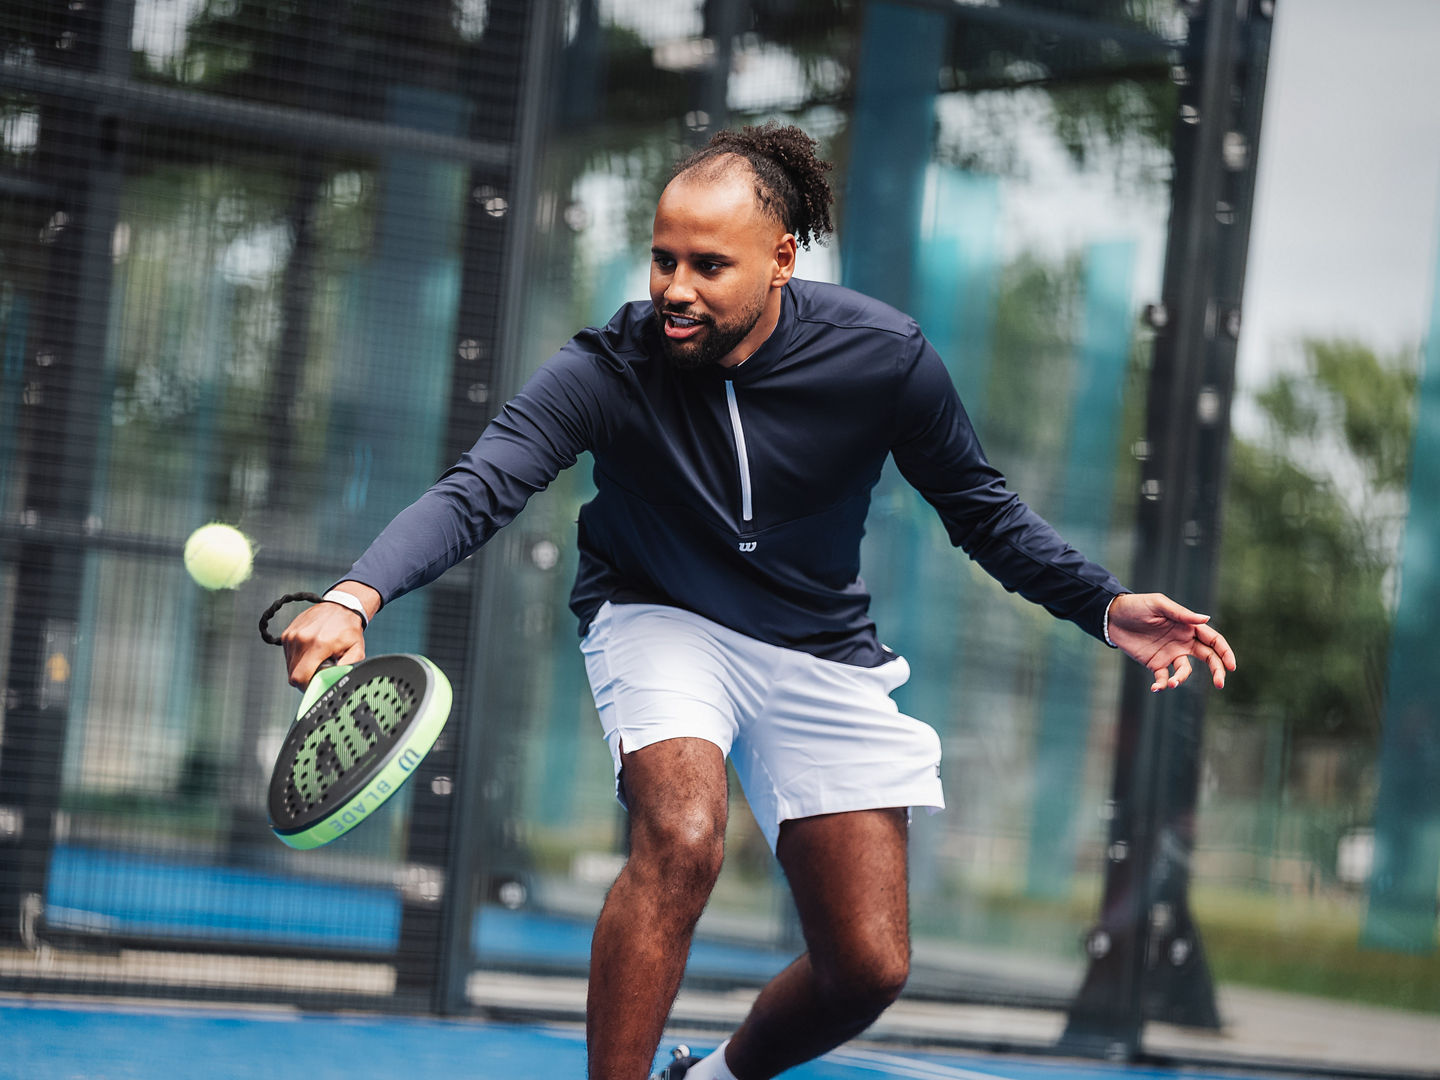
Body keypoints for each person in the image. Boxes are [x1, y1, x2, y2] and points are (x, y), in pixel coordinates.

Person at [280, 123, 1236, 1080]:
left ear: (782, 259)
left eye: (707, 264)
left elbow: (981, 510)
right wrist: (357, 596)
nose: (675, 290)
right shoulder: (612, 367)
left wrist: (1106, 607)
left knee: (866, 967)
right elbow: (480, 483)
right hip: (659, 615)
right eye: (662, 260)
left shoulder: (885, 357)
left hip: (816, 640)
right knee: (684, 838)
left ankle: (713, 1077)